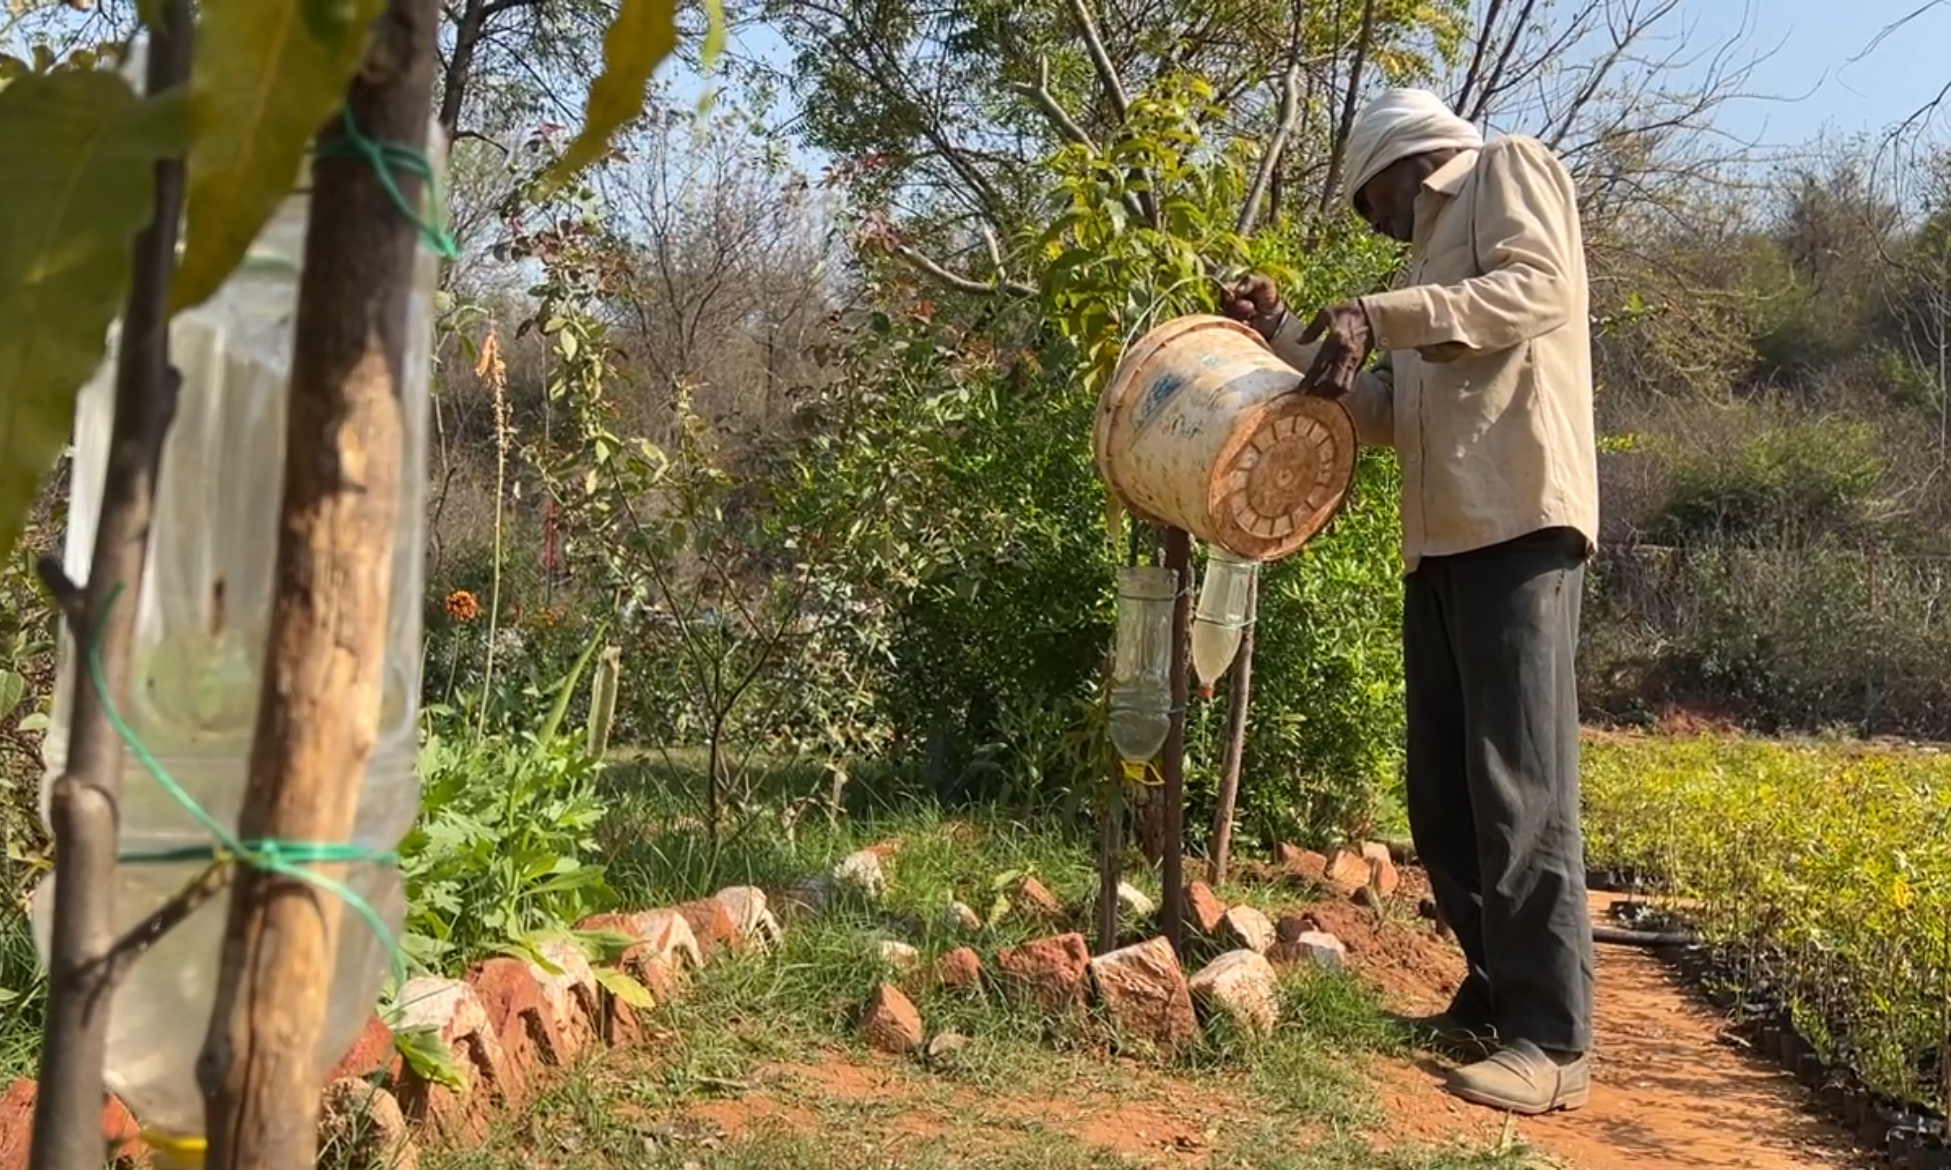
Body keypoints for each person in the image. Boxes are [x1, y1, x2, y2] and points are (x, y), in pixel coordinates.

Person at [1222, 87, 1599, 1116]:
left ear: (1402, 162)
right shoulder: (1428, 267)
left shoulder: (1507, 168)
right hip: (1441, 543)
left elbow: (1536, 292)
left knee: (1520, 786)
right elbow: (1386, 413)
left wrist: (1377, 314)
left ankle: (1550, 1036)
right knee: (1442, 786)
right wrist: (1291, 337)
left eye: (1372, 205)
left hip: (1518, 525)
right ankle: (1489, 994)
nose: (1375, 226)